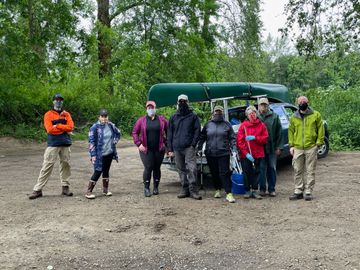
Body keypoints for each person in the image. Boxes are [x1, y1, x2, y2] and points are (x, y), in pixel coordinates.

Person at [29, 94, 74, 199]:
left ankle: (65, 187)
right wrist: (64, 128)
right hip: (53, 143)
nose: (58, 102)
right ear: (53, 102)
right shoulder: (48, 114)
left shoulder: (66, 114)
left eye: (60, 100)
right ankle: (38, 189)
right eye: (56, 100)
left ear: (62, 102)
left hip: (65, 143)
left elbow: (71, 127)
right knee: (47, 165)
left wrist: (57, 125)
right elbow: (49, 129)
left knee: (66, 165)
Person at [288, 96, 324, 201]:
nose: (302, 103)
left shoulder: (316, 115)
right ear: (297, 103)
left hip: (311, 147)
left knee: (310, 170)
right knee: (297, 170)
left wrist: (318, 143)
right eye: (300, 101)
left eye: (304, 101)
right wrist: (291, 145)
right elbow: (290, 131)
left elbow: (320, 129)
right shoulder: (294, 117)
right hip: (298, 147)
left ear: (308, 102)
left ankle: (308, 191)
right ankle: (298, 191)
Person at [197, 105, 237, 203]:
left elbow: (232, 137)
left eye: (219, 111)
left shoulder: (227, 124)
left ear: (222, 113)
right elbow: (202, 137)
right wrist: (199, 147)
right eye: (216, 111)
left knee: (224, 173)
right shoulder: (208, 124)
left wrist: (234, 148)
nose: (218, 113)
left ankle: (228, 193)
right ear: (213, 113)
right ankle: (217, 189)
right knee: (214, 172)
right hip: (210, 152)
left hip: (223, 152)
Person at [167, 94, 202, 200]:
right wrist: (170, 149)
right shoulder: (173, 117)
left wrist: (193, 144)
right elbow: (169, 133)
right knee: (181, 169)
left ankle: (193, 190)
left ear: (188, 102)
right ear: (177, 102)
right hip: (177, 147)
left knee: (192, 168)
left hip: (188, 147)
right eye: (180, 101)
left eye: (184, 101)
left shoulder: (193, 116)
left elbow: (197, 131)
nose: (182, 103)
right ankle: (184, 188)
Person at [132, 101, 168, 197]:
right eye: (149, 108)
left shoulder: (162, 120)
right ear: (146, 109)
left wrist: (166, 144)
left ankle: (156, 187)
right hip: (145, 149)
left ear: (155, 108)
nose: (151, 109)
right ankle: (146, 188)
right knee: (148, 167)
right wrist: (138, 144)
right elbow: (135, 132)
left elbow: (169, 131)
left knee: (157, 167)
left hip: (159, 149)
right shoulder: (141, 120)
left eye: (152, 107)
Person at [85, 109, 121, 199]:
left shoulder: (111, 125)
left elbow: (118, 133)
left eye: (105, 116)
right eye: (102, 116)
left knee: (106, 171)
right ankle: (89, 192)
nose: (104, 118)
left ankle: (105, 190)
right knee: (98, 171)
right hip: (99, 154)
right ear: (99, 117)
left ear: (107, 117)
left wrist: (115, 141)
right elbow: (91, 142)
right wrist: (93, 155)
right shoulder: (94, 127)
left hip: (109, 152)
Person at [236, 105, 268, 200]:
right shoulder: (243, 126)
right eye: (250, 114)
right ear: (247, 115)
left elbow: (265, 138)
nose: (252, 115)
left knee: (257, 172)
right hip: (246, 155)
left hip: (258, 153)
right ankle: (247, 190)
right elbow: (240, 142)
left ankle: (254, 190)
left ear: (256, 114)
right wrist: (246, 153)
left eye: (253, 113)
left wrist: (255, 138)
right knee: (247, 172)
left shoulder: (261, 125)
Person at [258, 97, 283, 197]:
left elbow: (279, 133)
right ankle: (262, 189)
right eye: (261, 104)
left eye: (265, 104)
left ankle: (272, 189)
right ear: (258, 106)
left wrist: (279, 147)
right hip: (260, 149)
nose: (263, 106)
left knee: (272, 168)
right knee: (261, 168)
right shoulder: (256, 117)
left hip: (272, 148)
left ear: (268, 105)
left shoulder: (275, 116)